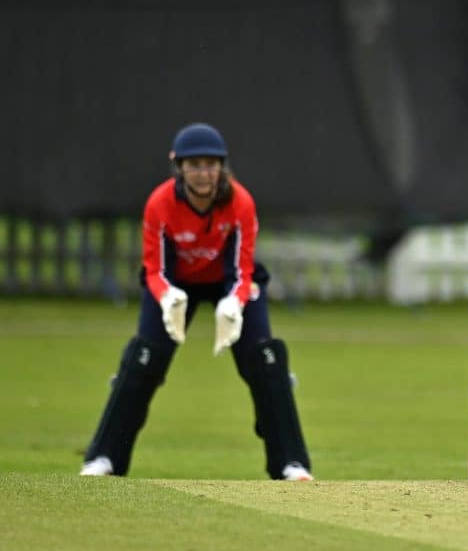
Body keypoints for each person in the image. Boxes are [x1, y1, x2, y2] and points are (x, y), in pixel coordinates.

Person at [79, 123, 313, 481]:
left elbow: (243, 267)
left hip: (230, 282)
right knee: (143, 361)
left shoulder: (240, 202)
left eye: (210, 164)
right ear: (179, 167)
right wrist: (167, 296)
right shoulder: (160, 203)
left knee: (266, 362)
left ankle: (290, 463)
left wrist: (234, 303)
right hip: (175, 284)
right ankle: (104, 458)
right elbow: (154, 269)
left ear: (221, 166)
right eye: (194, 165)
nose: (203, 174)